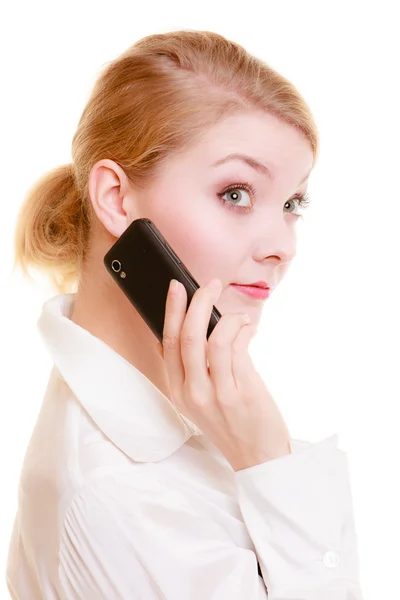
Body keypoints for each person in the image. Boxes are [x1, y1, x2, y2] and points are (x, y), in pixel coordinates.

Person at [6, 29, 364, 599]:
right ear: (116, 200)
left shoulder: (178, 413)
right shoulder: (121, 495)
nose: (283, 246)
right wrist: (269, 460)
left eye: (293, 203)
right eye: (237, 193)